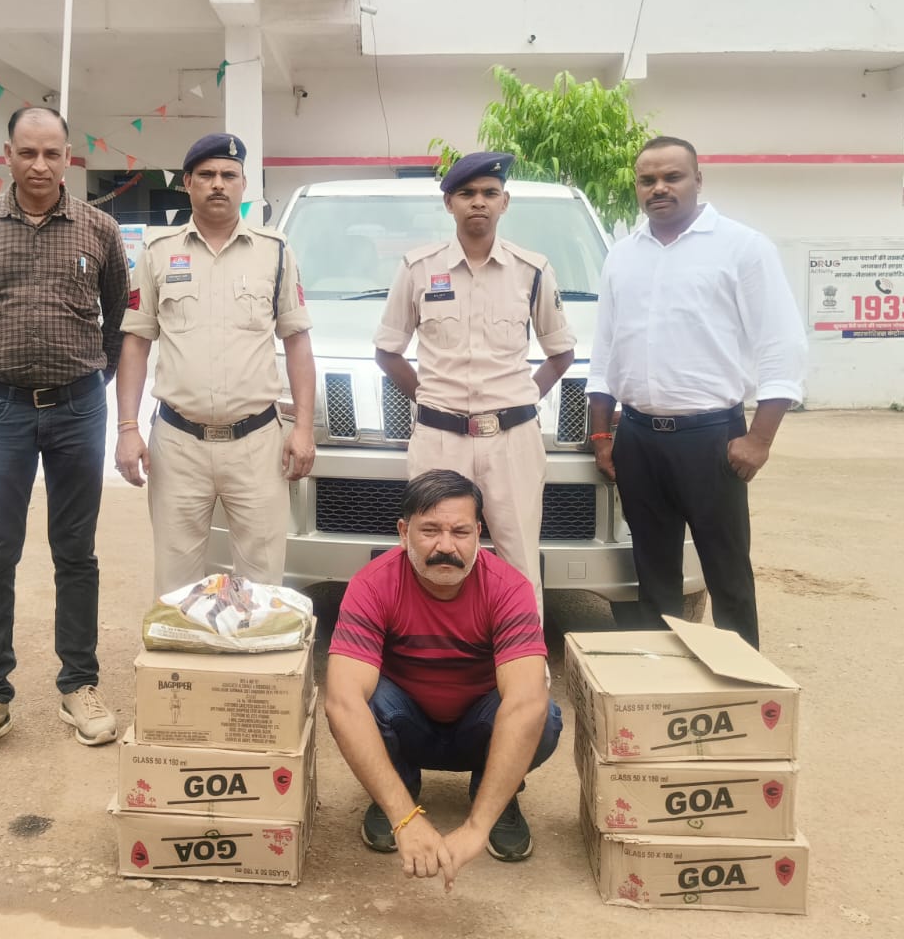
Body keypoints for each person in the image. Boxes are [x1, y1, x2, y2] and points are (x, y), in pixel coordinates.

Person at [0, 105, 129, 763]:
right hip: (1, 413)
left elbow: (119, 323)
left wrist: (93, 379)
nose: (40, 165)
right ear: (7, 155)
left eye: (52, 153)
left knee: (76, 553)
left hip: (78, 411)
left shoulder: (99, 229)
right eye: (28, 152)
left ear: (68, 158)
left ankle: (79, 685)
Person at [587, 135, 806, 649]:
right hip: (638, 439)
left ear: (698, 180)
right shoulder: (623, 256)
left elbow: (782, 345)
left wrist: (760, 439)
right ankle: (664, 679)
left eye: (672, 177)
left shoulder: (742, 248)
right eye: (647, 180)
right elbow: (605, 351)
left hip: (711, 441)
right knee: (653, 573)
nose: (659, 188)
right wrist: (601, 435)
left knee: (726, 573)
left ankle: (741, 680)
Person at [324, 469, 562, 883]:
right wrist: (405, 818)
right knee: (358, 701)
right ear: (404, 533)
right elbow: (342, 701)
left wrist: (476, 828)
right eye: (430, 531)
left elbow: (525, 703)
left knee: (542, 714)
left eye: (460, 532)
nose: (446, 547)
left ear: (479, 534)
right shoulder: (372, 584)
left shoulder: (509, 588)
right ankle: (397, 791)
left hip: (479, 728)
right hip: (408, 724)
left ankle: (494, 796)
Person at [115, 132, 316, 594]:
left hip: (257, 444)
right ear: (187, 183)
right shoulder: (158, 252)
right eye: (206, 175)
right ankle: (182, 648)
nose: (218, 184)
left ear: (244, 183)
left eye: (229, 175)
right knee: (176, 584)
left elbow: (297, 342)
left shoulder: (275, 251)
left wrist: (303, 428)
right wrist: (127, 428)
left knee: (261, 584)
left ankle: (252, 646)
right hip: (178, 443)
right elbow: (136, 344)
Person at [373, 151, 575, 609]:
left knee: (519, 561)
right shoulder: (418, 269)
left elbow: (561, 352)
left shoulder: (531, 270)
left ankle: (524, 653)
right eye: (466, 193)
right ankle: (433, 651)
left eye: (489, 192)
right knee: (432, 556)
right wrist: (429, 398)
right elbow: (387, 351)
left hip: (512, 441)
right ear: (449, 203)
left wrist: (522, 400)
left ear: (505, 201)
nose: (478, 202)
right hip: (439, 439)